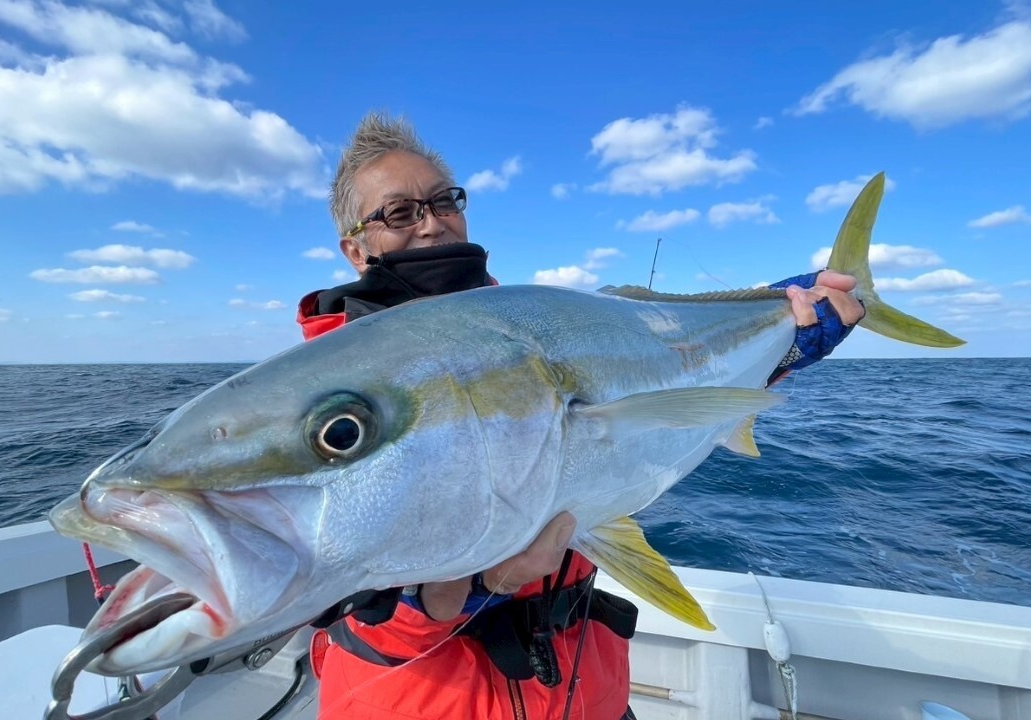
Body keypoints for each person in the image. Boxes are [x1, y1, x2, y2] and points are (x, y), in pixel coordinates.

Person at [296, 113, 865, 720]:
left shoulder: (542, 325)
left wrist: (778, 344)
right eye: (401, 213)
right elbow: (326, 604)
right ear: (355, 248)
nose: (433, 223)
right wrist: (472, 593)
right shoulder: (331, 413)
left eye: (443, 201)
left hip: (585, 692)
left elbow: (660, 388)